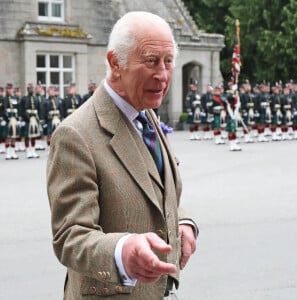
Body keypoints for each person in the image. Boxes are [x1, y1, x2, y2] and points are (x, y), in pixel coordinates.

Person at [47, 11, 198, 300]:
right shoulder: (76, 134)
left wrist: (183, 223)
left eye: (169, 62)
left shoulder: (145, 113)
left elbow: (155, 189)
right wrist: (122, 250)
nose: (163, 75)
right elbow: (70, 237)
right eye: (151, 61)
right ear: (115, 63)